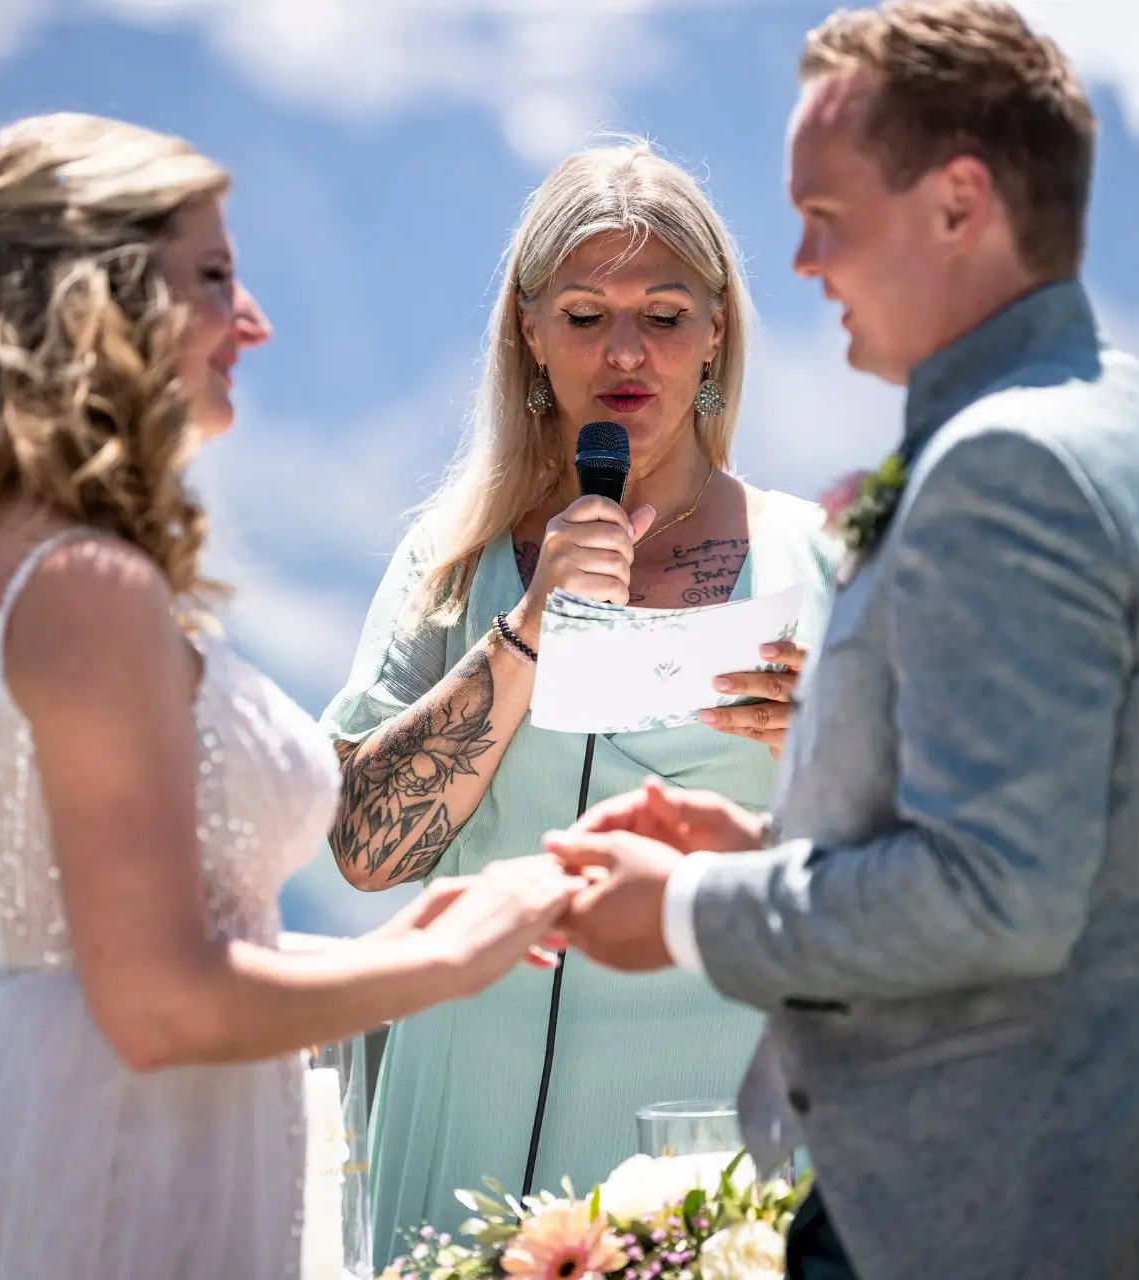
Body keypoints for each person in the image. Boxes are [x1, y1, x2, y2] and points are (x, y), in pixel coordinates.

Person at [546, 5, 1139, 1277]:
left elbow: (993, 893)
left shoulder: (1009, 467)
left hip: (1004, 1215)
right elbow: (1056, 845)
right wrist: (778, 846)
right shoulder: (1130, 420)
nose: (799, 260)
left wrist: (683, 907)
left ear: (959, 204)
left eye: (826, 214)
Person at [0, 113, 579, 1280]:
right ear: (100, 299)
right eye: (215, 277)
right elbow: (159, 1001)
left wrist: (411, 932)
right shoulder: (85, 586)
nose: (253, 320)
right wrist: (442, 966)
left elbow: (112, 949)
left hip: (56, 1135)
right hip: (109, 1177)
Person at [319, 139, 837, 1263]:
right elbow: (363, 848)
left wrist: (828, 751)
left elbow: (914, 870)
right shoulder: (452, 565)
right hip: (468, 1138)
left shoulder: (819, 560)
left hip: (716, 1157)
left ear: (717, 332)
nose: (626, 351)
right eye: (586, 314)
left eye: (665, 314)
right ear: (530, 331)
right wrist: (525, 631)